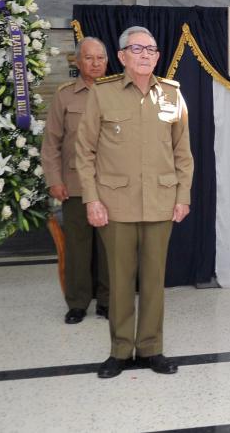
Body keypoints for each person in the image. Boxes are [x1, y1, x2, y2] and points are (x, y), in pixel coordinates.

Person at [75, 26, 194, 378]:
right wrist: (92, 200)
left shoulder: (173, 95)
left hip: (161, 200)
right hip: (115, 204)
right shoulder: (103, 94)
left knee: (155, 279)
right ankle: (120, 351)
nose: (145, 54)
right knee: (119, 279)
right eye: (137, 48)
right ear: (123, 56)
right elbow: (84, 152)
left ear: (158, 57)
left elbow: (183, 154)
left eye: (151, 49)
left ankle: (151, 348)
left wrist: (183, 196)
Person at [41, 37, 110, 324]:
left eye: (100, 58)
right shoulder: (65, 95)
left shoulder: (118, 92)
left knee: (110, 248)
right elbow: (51, 142)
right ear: (78, 62)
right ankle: (78, 303)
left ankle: (108, 301)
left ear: (107, 61)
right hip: (75, 184)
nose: (95, 64)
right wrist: (54, 179)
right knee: (78, 248)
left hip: (112, 185)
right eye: (89, 58)